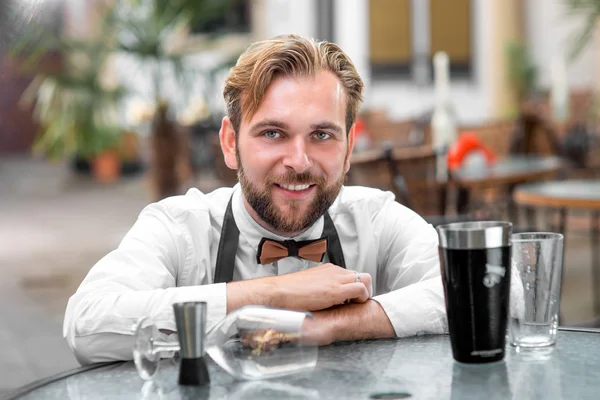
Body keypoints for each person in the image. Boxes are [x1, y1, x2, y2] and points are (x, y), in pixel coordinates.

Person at [63, 34, 447, 364]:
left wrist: (326, 325)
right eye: (273, 134)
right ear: (231, 143)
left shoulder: (376, 218)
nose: (298, 161)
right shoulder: (179, 226)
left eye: (322, 135)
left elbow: (490, 291)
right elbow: (87, 325)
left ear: (348, 151)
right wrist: (273, 294)